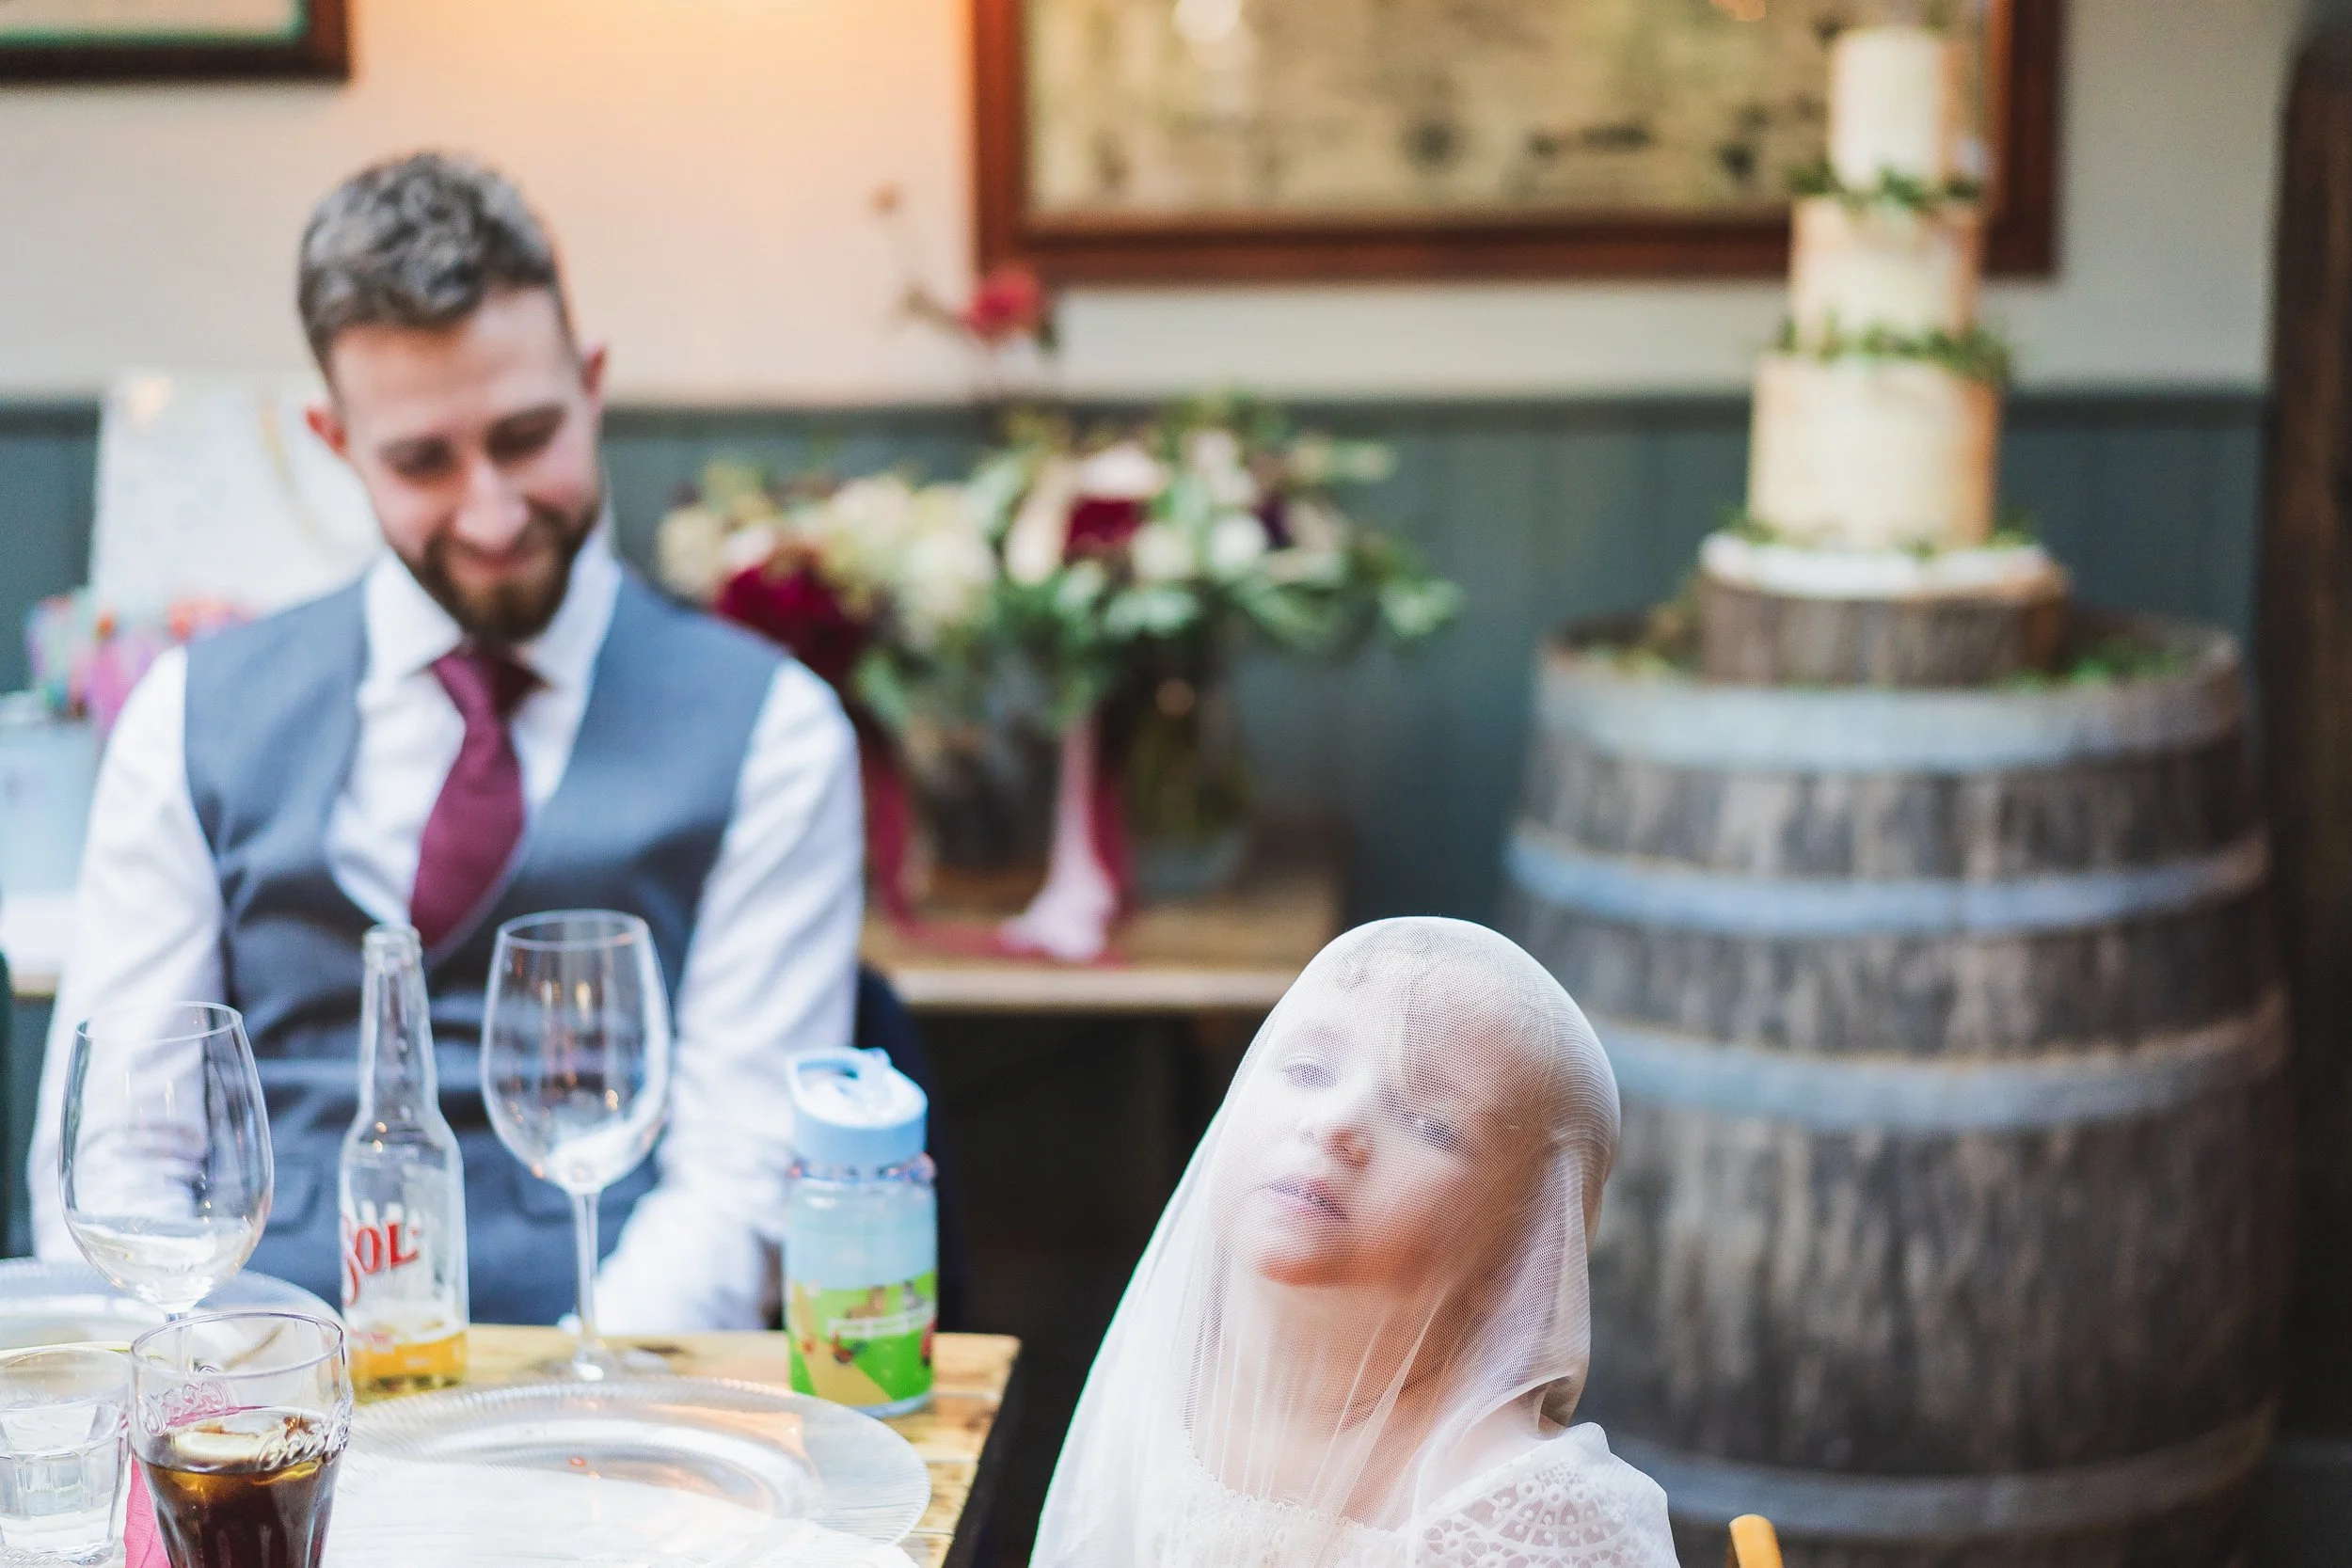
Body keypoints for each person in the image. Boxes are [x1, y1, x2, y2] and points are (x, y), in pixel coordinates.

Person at [28, 152, 864, 1330]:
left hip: (609, 1393)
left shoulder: (775, 732)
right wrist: (227, 1402)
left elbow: (736, 1184)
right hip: (256, 1390)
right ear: (336, 439)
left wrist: (574, 1420)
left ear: (592, 383)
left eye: (525, 436)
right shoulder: (185, 714)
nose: (491, 510)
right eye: (423, 459)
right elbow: (117, 1151)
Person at [1032, 917, 1677, 1568]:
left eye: (1430, 1121)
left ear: (1516, 1263)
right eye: (1310, 1069)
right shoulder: (1167, 1386)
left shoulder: (1541, 1522)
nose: (1335, 1122)